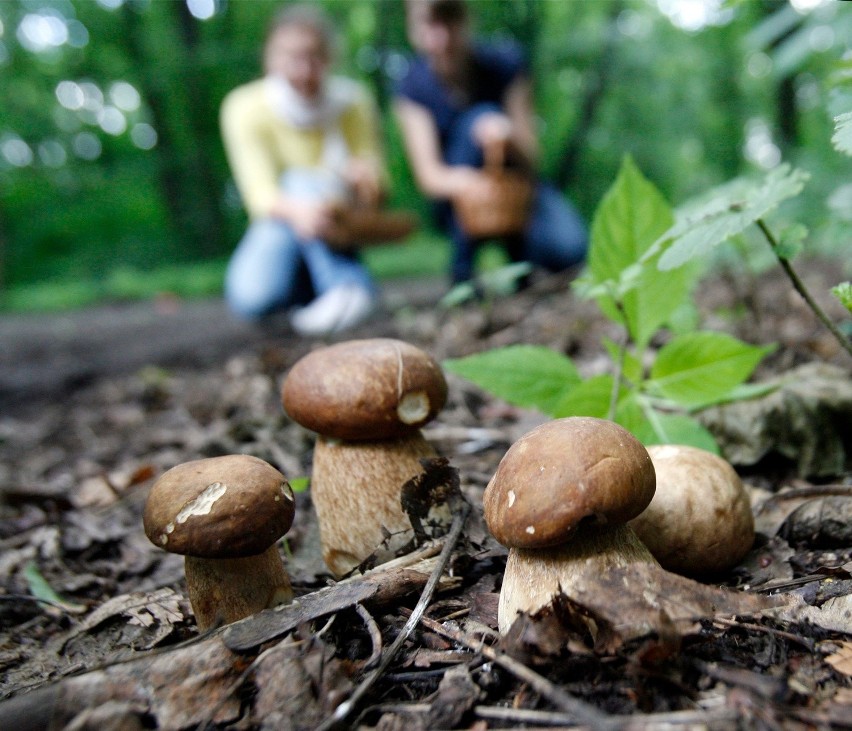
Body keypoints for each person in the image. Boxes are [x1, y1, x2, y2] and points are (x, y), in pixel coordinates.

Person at [220, 5, 391, 335]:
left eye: (313, 56)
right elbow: (260, 195)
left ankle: (345, 288)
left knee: (306, 182)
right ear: (271, 58)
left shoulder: (353, 103)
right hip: (281, 227)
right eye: (291, 56)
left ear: (329, 57)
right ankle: (335, 291)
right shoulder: (244, 108)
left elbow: (379, 187)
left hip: (338, 225)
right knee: (253, 297)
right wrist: (302, 211)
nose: (304, 69)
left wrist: (365, 179)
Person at [394, 0, 588, 285]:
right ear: (413, 27)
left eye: (451, 20)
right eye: (430, 23)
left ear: (468, 20)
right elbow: (429, 176)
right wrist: (475, 185)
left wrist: (506, 138)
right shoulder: (412, 85)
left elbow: (533, 157)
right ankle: (463, 272)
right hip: (457, 202)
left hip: (520, 188)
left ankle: (521, 261)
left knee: (570, 250)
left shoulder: (505, 64)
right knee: (480, 117)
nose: (443, 37)